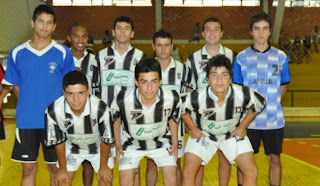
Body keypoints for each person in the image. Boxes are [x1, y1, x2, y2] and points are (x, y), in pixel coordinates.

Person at [1, 5, 75, 186]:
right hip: (27, 121)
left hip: (56, 121)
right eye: (40, 21)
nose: (44, 26)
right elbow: (15, 86)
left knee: (56, 169)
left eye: (49, 23)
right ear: (32, 23)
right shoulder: (17, 53)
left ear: (54, 27)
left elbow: (70, 87)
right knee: (28, 169)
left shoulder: (64, 53)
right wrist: (30, 104)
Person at [182, 54, 266, 186]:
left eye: (224, 75)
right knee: (188, 173)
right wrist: (192, 128)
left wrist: (243, 126)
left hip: (231, 134)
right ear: (208, 79)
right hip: (205, 135)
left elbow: (260, 102)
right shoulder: (198, 96)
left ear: (231, 78)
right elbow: (178, 105)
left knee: (251, 171)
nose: (219, 79)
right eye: (214, 75)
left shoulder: (241, 93)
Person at [233, 12, 291, 186]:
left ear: (270, 31)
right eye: (257, 29)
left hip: (274, 121)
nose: (260, 33)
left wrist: (271, 104)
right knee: (243, 162)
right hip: (248, 122)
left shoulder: (280, 57)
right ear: (251, 32)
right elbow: (237, 89)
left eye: (264, 29)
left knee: (274, 159)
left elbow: (284, 85)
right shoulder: (242, 57)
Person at [111, 58, 181, 186]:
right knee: (125, 182)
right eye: (144, 82)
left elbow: (173, 118)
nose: (149, 88)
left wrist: (175, 142)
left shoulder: (172, 98)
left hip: (161, 142)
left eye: (154, 81)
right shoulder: (122, 99)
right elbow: (116, 118)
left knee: (172, 180)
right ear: (136, 82)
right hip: (130, 144)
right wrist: (118, 142)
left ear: (160, 81)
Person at [184, 17, 237, 186]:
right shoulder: (193, 59)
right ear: (202, 33)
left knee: (225, 158)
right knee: (198, 161)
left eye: (216, 29)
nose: (212, 33)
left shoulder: (233, 56)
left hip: (226, 119)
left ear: (221, 33)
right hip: (202, 120)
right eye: (208, 29)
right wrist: (191, 123)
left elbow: (237, 89)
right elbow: (189, 90)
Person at [96, 16, 147, 185]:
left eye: (126, 28)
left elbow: (145, 89)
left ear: (132, 33)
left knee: (133, 163)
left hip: (130, 118)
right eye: (119, 28)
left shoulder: (140, 56)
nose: (122, 31)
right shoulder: (101, 56)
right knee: (104, 163)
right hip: (104, 118)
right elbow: (95, 87)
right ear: (113, 32)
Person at [44, 71, 114, 186]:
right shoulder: (53, 111)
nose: (76, 99)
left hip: (98, 149)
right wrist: (62, 169)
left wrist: (103, 166)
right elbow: (59, 142)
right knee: (61, 181)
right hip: (72, 149)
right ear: (64, 93)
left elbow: (106, 140)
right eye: (71, 94)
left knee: (105, 180)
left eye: (80, 93)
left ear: (88, 92)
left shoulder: (101, 109)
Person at [145, 29, 186, 186]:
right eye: (159, 45)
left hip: (176, 126)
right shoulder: (147, 69)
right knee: (151, 163)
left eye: (166, 45)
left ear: (172, 46)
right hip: (152, 125)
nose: (163, 49)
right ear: (153, 46)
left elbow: (186, 98)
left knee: (175, 162)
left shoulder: (183, 69)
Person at [67, 23, 100, 185]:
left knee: (88, 159)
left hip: (89, 116)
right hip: (66, 117)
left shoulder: (94, 60)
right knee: (67, 160)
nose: (80, 40)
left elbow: (98, 87)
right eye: (76, 36)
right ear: (69, 38)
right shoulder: (62, 57)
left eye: (84, 36)